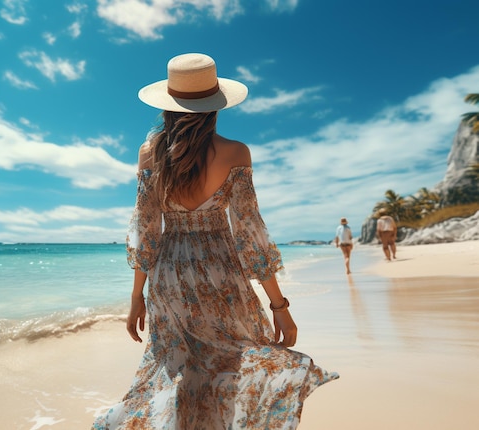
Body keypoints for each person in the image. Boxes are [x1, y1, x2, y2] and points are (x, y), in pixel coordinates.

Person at [92, 53, 337, 429]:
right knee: (231, 366)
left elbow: (147, 233)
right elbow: (249, 234)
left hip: (169, 277)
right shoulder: (236, 153)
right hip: (221, 272)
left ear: (168, 107)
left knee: (175, 373)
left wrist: (136, 296)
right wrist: (279, 305)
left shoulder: (149, 154)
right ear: (215, 107)